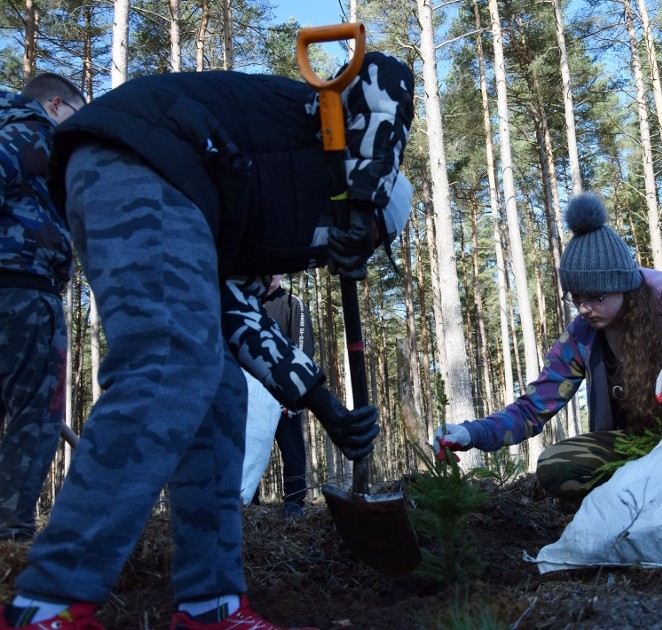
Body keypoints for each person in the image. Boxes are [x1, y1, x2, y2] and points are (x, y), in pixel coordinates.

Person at [0, 52, 413, 630]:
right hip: (145, 160)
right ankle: (50, 602)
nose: (347, 253)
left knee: (219, 391)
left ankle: (210, 605)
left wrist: (328, 410)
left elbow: (240, 319)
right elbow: (386, 72)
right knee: (170, 361)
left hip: (168, 188)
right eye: (370, 238)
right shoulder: (336, 136)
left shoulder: (261, 221)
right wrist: (366, 201)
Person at [435, 192, 662, 502]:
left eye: (596, 297)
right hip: (639, 447)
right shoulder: (580, 338)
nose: (585, 308)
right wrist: (471, 432)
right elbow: (532, 410)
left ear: (623, 287)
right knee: (556, 466)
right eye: (577, 299)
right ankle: (654, 492)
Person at [0, 73, 86, 543]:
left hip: (16, 289)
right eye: (77, 115)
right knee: (38, 415)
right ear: (56, 105)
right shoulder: (31, 129)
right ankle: (10, 537)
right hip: (24, 291)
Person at [249, 276, 315, 517]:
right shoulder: (247, 302)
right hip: (253, 396)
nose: (270, 276)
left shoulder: (292, 303)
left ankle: (295, 503)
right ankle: (249, 503)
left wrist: (294, 393)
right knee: (250, 449)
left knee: (292, 449)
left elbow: (304, 348)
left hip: (284, 394)